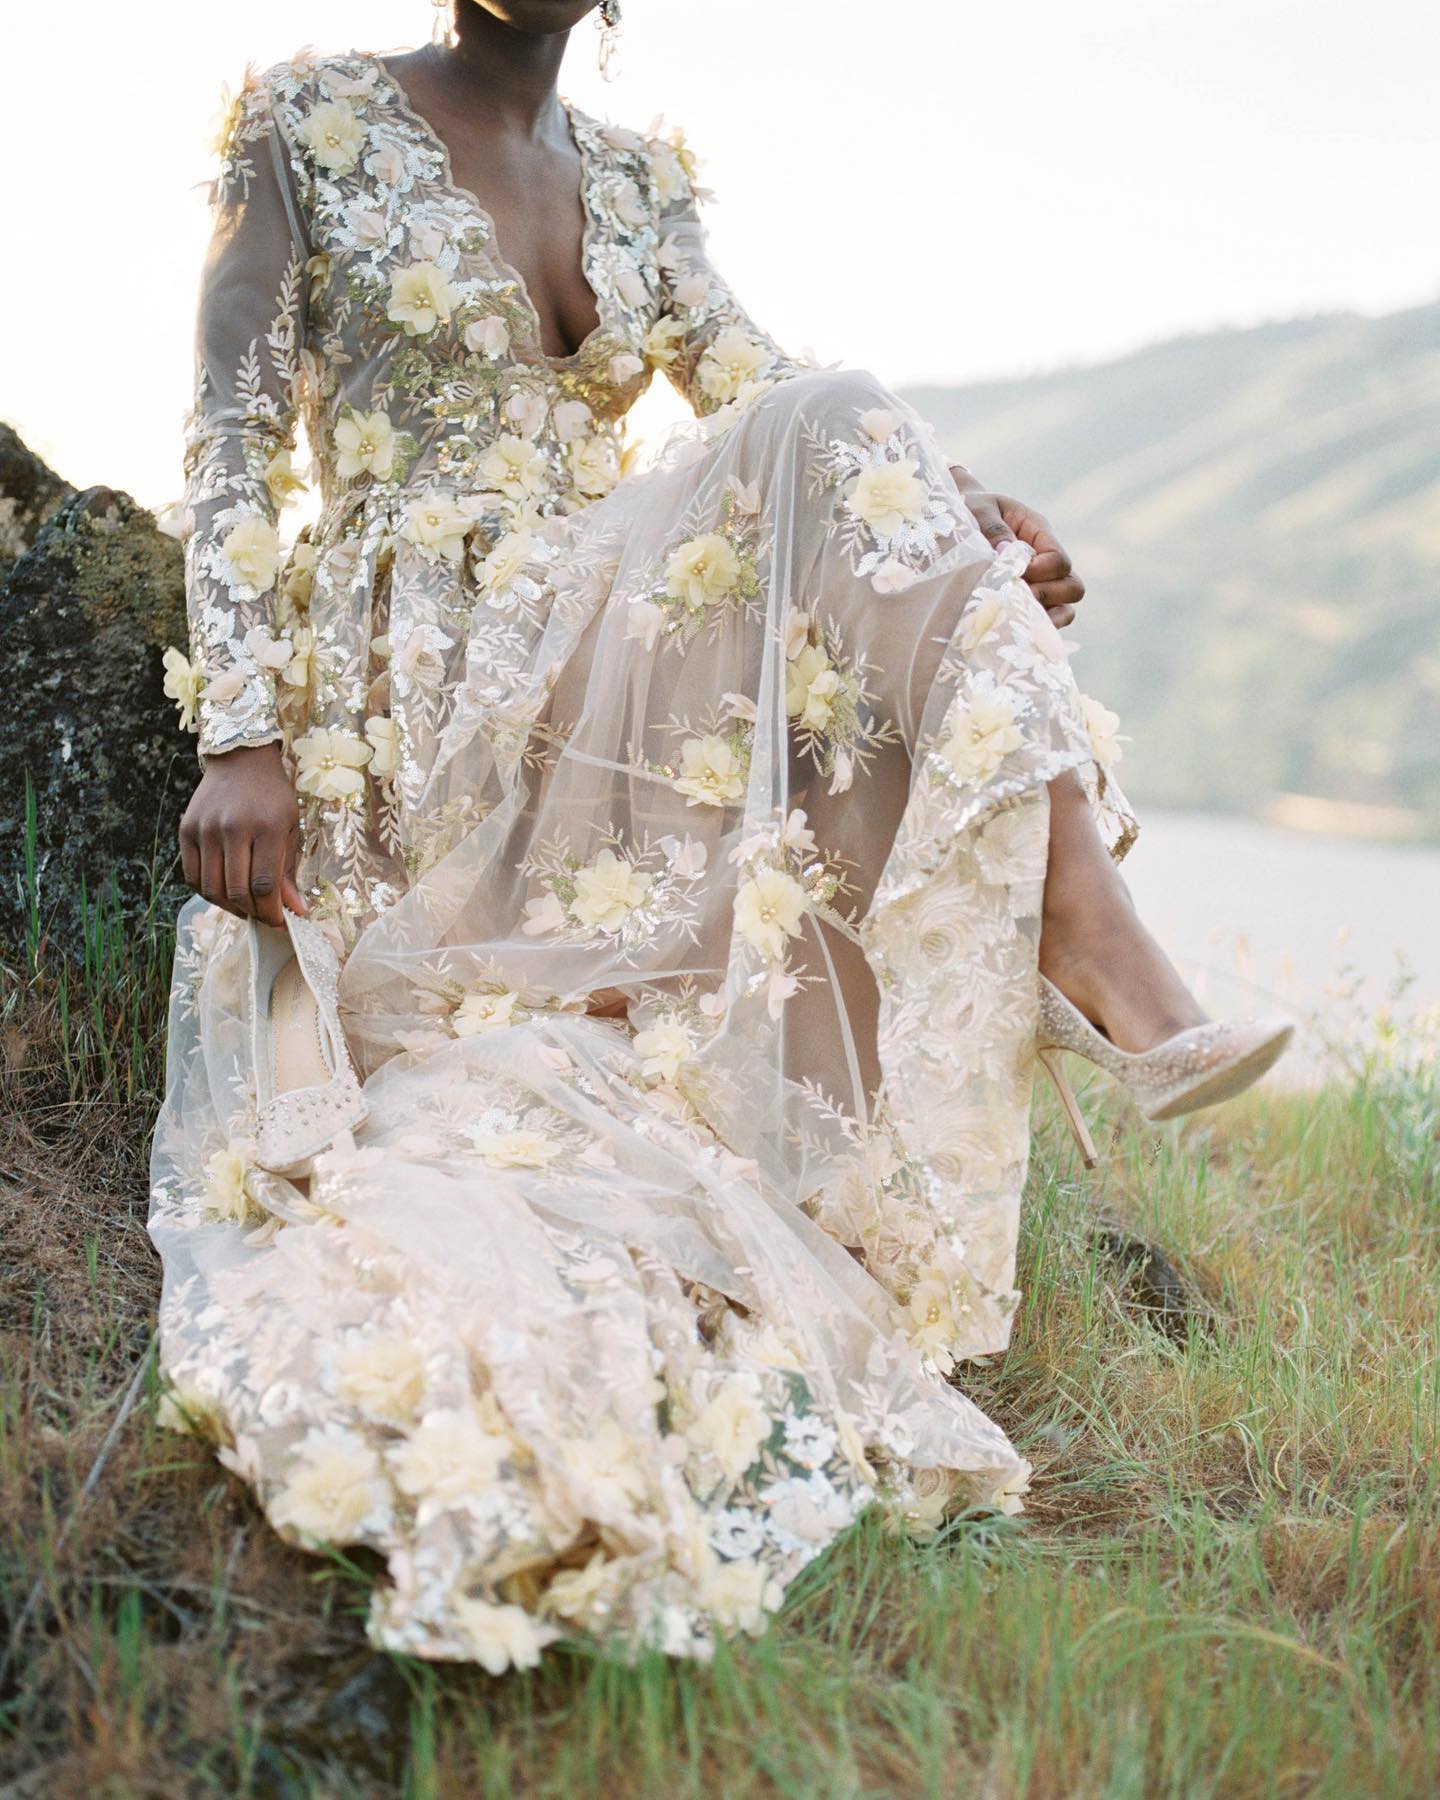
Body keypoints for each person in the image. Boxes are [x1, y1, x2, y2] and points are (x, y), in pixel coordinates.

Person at [150, 0, 1292, 1670]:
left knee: (845, 425)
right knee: (838, 432)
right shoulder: (307, 120)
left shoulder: (633, 179)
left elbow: (771, 400)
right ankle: (1095, 953)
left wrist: (962, 527)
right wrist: (241, 733)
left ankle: (1086, 932)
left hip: (584, 644)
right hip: (416, 698)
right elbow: (232, 438)